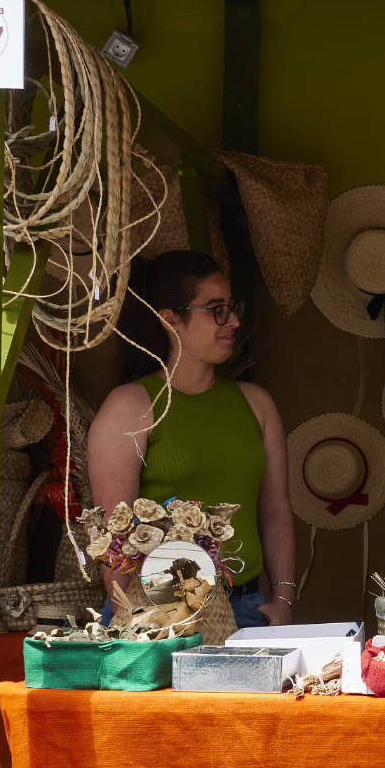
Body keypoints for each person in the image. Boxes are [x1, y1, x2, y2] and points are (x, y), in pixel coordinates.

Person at [88, 250, 296, 630]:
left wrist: (282, 601)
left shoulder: (257, 404)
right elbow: (112, 535)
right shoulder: (130, 407)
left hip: (248, 609)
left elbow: (276, 512)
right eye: (216, 309)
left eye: (232, 307)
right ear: (171, 320)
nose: (233, 321)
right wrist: (131, 619)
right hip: (156, 614)